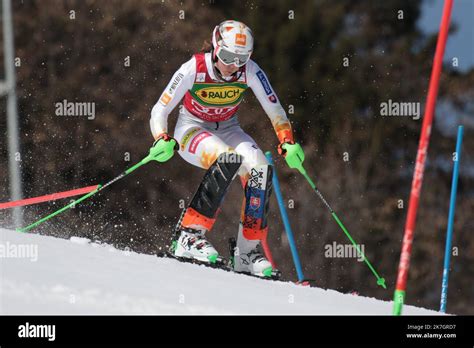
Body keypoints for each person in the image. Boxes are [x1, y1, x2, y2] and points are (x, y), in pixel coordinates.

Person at [149, 20, 304, 278]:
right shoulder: (194, 68)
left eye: (241, 59)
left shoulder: (250, 71)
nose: (233, 65)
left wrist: (287, 140)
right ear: (215, 47)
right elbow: (160, 109)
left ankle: (247, 252)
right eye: (227, 56)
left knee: (261, 170)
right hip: (191, 130)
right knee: (227, 159)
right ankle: (189, 235)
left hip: (229, 128)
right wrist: (161, 137)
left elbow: (274, 108)